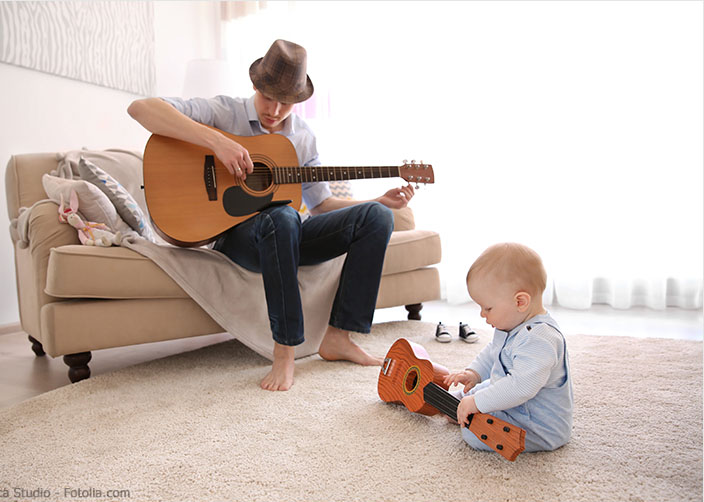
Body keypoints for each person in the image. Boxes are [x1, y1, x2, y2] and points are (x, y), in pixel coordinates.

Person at [128, 39, 414, 392]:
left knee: (374, 218)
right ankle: (285, 351)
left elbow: (322, 206)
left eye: (286, 102)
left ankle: (338, 337)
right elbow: (140, 109)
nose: (275, 110)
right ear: (255, 86)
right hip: (240, 237)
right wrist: (218, 142)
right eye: (268, 97)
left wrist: (378, 201)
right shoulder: (223, 112)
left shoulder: (303, 139)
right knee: (283, 216)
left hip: (290, 235)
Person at [443, 243, 573, 452]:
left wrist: (477, 403)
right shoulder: (513, 324)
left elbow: (519, 387)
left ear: (520, 301)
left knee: (472, 431)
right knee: (473, 396)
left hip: (538, 424)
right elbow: (493, 353)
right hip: (516, 403)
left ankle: (467, 407)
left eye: (488, 308)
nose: (482, 314)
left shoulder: (541, 340)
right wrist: (474, 373)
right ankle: (463, 404)